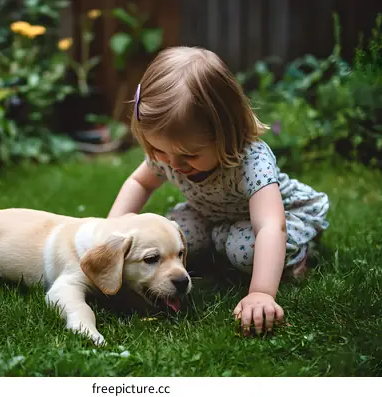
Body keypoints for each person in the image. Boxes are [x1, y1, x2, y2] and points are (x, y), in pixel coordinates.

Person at [107, 46, 330, 336]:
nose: (173, 163)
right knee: (174, 234)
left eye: (188, 155)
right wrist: (109, 230)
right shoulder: (171, 153)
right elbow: (141, 182)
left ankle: (297, 257)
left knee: (243, 249)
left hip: (276, 219)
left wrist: (261, 293)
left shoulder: (251, 161)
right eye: (160, 150)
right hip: (211, 215)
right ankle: (219, 242)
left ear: (226, 133)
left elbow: (270, 226)